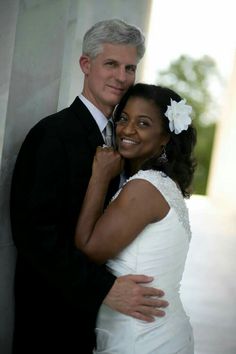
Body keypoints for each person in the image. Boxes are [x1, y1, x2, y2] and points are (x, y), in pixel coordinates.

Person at [10, 20, 168, 354]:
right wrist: (104, 289)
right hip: (53, 320)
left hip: (103, 324)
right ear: (86, 65)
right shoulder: (52, 135)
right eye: (110, 64)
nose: (121, 77)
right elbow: (35, 235)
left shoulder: (126, 141)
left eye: (129, 67)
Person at [74, 83, 197, 353]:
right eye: (124, 118)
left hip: (143, 339)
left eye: (143, 123)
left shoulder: (144, 187)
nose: (127, 130)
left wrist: (99, 176)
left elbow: (89, 249)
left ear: (165, 137)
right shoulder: (163, 183)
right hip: (153, 331)